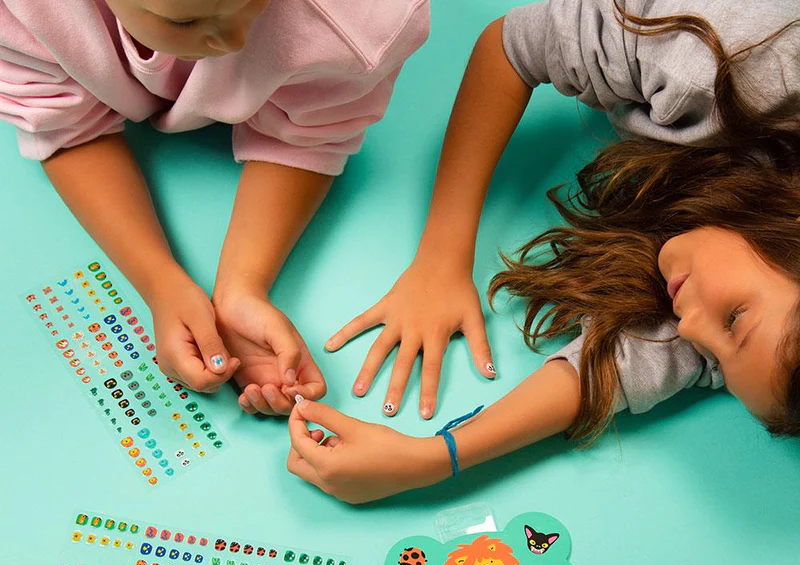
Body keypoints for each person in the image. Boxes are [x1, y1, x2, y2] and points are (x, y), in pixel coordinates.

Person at [287, 0, 800, 503]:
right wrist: (440, 260)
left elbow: (634, 363)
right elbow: (514, 45)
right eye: (733, 319)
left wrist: (435, 459)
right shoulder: (726, 56)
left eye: (717, 357)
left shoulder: (749, 313)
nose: (688, 331)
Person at [0, 0, 429, 414]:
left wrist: (240, 289)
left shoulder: (353, 21)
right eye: (185, 22)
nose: (234, 41)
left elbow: (311, 132)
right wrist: (160, 283)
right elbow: (67, 124)